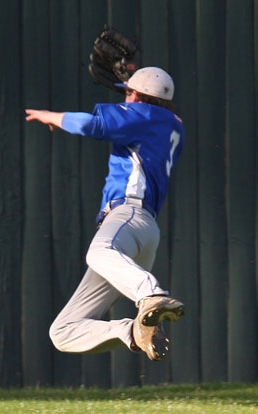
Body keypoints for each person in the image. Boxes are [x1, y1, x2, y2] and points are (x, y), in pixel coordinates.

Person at [25, 66, 185, 361]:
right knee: (63, 331)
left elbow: (90, 125)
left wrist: (53, 117)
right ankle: (133, 331)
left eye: (127, 93)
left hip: (128, 216)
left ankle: (150, 294)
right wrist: (135, 82)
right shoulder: (170, 124)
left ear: (136, 96)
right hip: (141, 232)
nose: (125, 99)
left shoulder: (146, 115)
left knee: (97, 253)